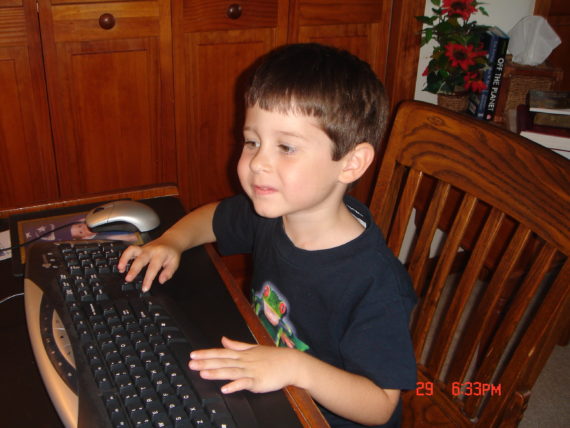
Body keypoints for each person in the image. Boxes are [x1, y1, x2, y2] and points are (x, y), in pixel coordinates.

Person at [118, 43, 417, 427]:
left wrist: (295, 367)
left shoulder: (376, 285)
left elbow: (380, 406)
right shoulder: (276, 212)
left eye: (286, 147)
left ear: (351, 163)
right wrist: (172, 241)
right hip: (270, 378)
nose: (258, 162)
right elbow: (214, 218)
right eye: (252, 141)